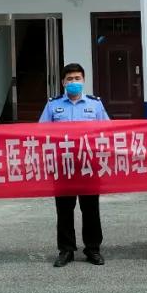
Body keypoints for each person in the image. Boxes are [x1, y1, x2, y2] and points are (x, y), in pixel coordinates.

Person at [39, 63, 109, 267]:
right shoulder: (53, 106)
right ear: (63, 82)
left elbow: (107, 131)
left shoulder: (95, 105)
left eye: (77, 78)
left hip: (89, 163)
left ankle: (93, 249)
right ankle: (66, 249)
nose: (74, 82)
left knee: (91, 208)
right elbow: (41, 132)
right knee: (64, 209)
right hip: (63, 164)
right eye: (69, 79)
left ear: (83, 80)